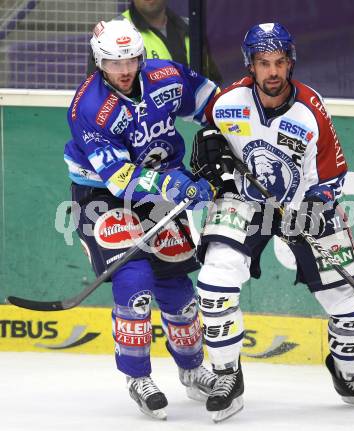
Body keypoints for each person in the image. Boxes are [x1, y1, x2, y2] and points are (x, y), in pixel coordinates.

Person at [190, 22, 354, 422]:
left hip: (303, 205)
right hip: (243, 202)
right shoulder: (228, 102)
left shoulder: (310, 108)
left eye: (280, 62)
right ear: (251, 64)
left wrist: (317, 207)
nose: (272, 72)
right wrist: (209, 151)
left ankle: (349, 375)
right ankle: (226, 376)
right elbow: (210, 140)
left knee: (352, 308)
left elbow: (333, 172)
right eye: (264, 62)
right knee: (215, 284)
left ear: (291, 63)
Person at [64, 18, 220, 420]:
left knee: (178, 289)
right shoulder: (90, 107)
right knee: (134, 282)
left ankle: (192, 368)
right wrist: (172, 184)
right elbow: (119, 179)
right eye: (116, 63)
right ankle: (137, 377)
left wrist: (228, 139)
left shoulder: (164, 75)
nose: (126, 69)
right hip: (104, 195)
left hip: (164, 186)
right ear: (100, 63)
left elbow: (213, 103)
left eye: (132, 58)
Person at [87, 0, 222, 84]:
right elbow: (97, 92)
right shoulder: (110, 35)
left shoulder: (191, 28)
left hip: (190, 121)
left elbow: (212, 81)